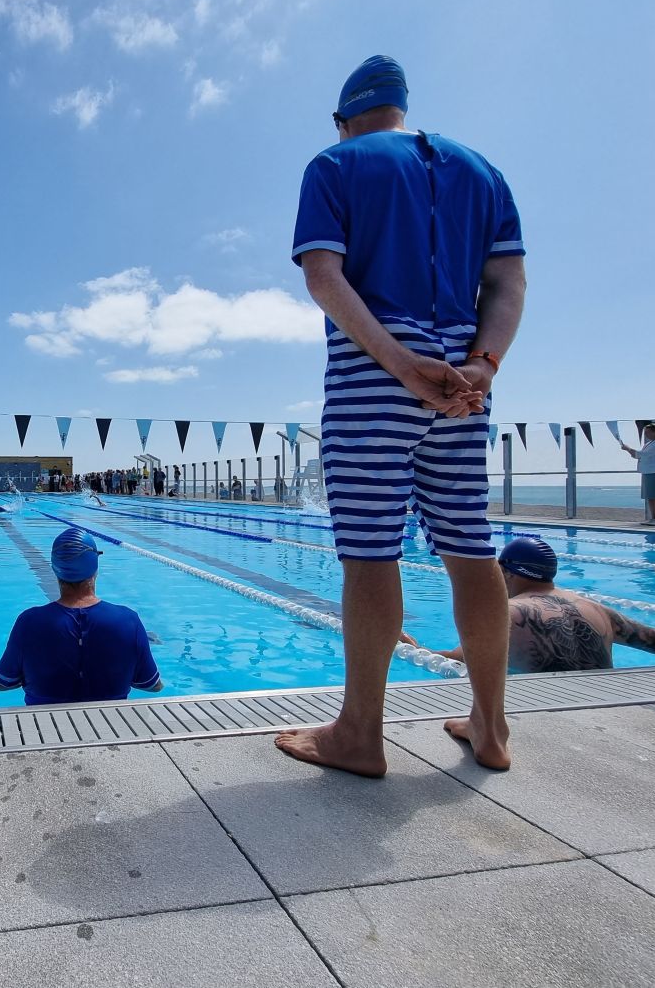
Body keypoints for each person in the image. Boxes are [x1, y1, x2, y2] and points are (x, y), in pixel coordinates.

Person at [280, 55, 527, 777]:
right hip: (463, 374)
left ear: (347, 116)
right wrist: (483, 365)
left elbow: (324, 277)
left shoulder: (334, 165)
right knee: (468, 544)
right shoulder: (484, 173)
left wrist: (396, 361)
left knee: (369, 550)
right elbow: (508, 281)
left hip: (375, 370)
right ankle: (491, 725)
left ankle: (360, 731)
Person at [407, 537, 655, 672]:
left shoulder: (506, 615)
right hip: (601, 695)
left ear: (505, 573)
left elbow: (449, 661)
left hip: (538, 709)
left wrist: (409, 646)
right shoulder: (597, 609)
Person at [0, 528, 163, 705]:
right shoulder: (128, 621)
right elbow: (153, 685)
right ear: (95, 568)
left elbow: (0, 684)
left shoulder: (29, 622)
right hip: (112, 727)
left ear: (55, 570)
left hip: (44, 729)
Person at [620, 423, 655, 526]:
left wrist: (629, 448)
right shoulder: (648, 444)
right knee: (650, 496)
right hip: (647, 472)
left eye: (648, 432)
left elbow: (643, 454)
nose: (646, 435)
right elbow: (637, 456)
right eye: (645, 433)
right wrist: (628, 450)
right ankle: (653, 518)